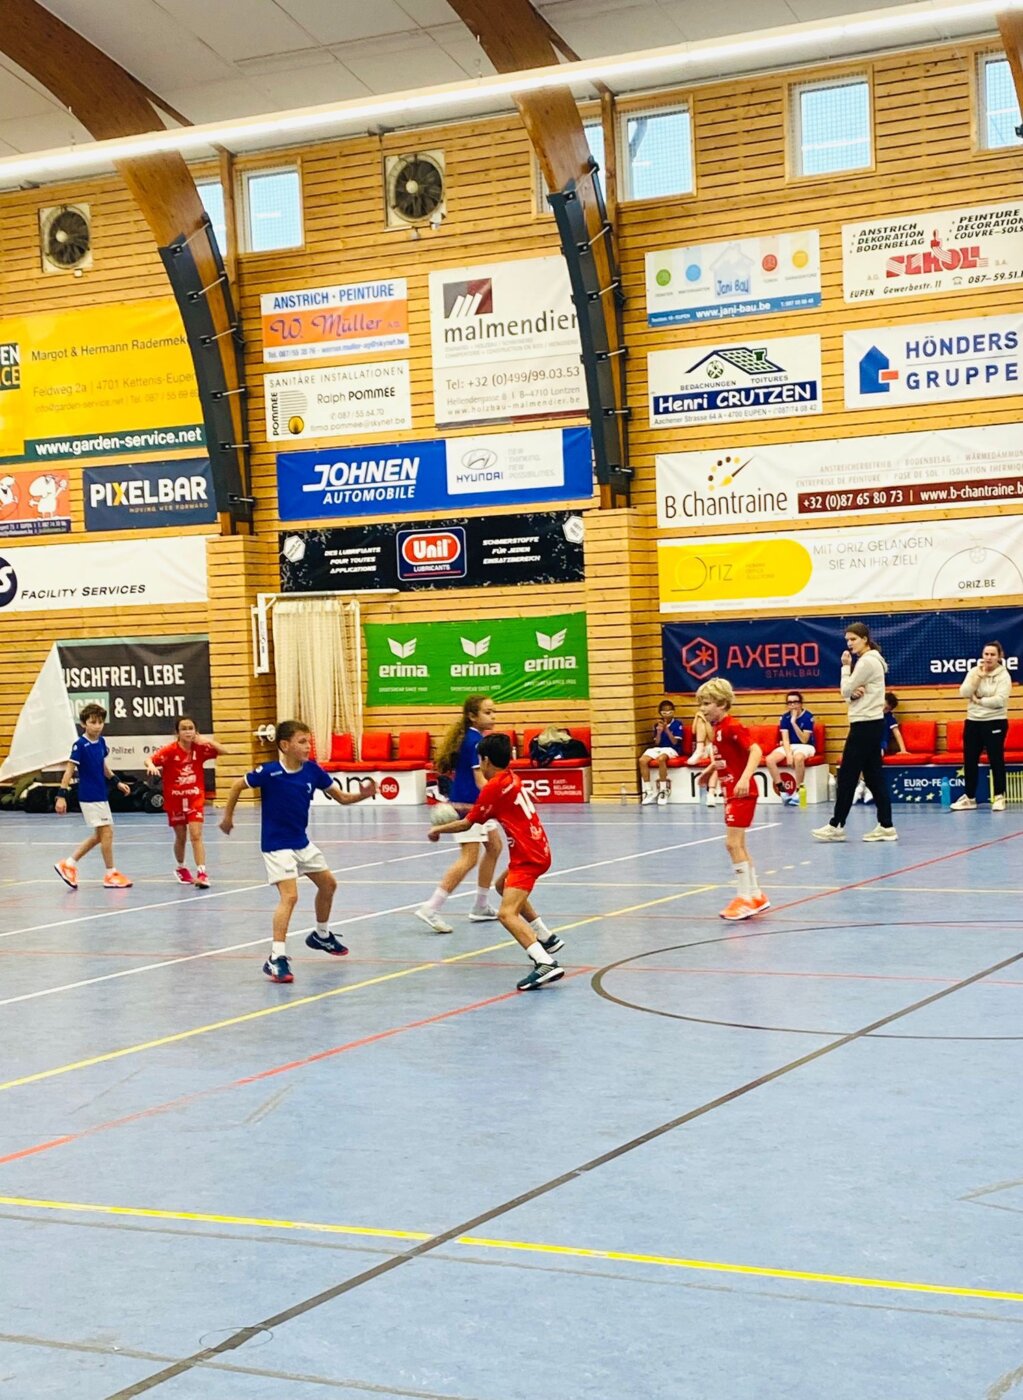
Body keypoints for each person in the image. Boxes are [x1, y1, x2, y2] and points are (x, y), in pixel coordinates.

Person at [219, 719, 376, 983]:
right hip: (276, 845)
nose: (307, 746)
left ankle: (321, 935)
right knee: (290, 896)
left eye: (308, 741)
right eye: (302, 742)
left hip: (301, 843)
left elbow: (341, 797)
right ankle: (276, 957)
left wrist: (364, 794)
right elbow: (236, 786)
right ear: (285, 745)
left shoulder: (312, 771)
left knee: (328, 884)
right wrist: (227, 818)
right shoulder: (269, 772)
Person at [429, 732, 563, 990]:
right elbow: (486, 808)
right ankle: (546, 936)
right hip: (538, 849)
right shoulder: (510, 778)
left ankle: (545, 962)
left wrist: (437, 830)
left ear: (487, 760)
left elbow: (467, 823)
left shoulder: (493, 787)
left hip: (528, 857)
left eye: (480, 760)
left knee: (506, 914)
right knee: (502, 886)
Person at [415, 695, 502, 933]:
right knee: (469, 858)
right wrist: (503, 795)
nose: (493, 716)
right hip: (468, 806)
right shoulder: (474, 742)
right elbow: (480, 780)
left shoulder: (475, 738)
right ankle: (431, 908)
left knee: (494, 847)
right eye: (487, 712)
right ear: (472, 716)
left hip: (477, 804)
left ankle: (481, 905)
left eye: (494, 711)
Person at [694, 678, 770, 921]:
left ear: (722, 703)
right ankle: (755, 895)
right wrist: (708, 772)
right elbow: (724, 758)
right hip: (731, 792)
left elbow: (756, 751)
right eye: (701, 704)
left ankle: (744, 898)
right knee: (739, 845)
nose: (703, 709)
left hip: (742, 793)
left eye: (707, 703)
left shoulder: (732, 727)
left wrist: (745, 778)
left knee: (732, 844)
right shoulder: (717, 730)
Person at [813, 622, 897, 842]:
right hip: (871, 724)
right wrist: (852, 695)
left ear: (865, 639)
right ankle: (886, 825)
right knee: (874, 777)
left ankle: (836, 825)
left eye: (853, 639)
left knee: (847, 776)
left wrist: (845, 667)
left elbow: (845, 689)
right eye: (847, 640)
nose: (849, 644)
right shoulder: (873, 660)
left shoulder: (867, 661)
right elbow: (852, 694)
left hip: (864, 726)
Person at [53, 703, 133, 890]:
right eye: (92, 722)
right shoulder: (80, 745)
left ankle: (68, 864)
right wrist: (61, 796)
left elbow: (102, 766)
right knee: (107, 832)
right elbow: (69, 771)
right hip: (89, 795)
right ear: (84, 724)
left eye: (100, 722)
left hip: (100, 793)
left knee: (99, 836)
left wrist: (116, 782)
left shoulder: (102, 742)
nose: (97, 726)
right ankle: (110, 873)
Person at [146, 716, 226, 888]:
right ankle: (181, 867)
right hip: (175, 799)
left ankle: (202, 873)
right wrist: (151, 765)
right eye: (184, 729)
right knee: (181, 837)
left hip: (194, 798)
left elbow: (224, 751)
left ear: (196, 731)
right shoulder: (170, 751)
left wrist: (207, 741)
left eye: (191, 728)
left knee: (196, 835)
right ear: (177, 733)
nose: (188, 731)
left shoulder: (200, 749)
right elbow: (149, 760)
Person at [951, 642, 1012, 812]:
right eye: (986, 654)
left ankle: (999, 797)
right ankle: (969, 798)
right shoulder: (974, 672)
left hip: (995, 721)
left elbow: (1000, 701)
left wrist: (978, 700)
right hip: (973, 721)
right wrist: (978, 677)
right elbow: (964, 692)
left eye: (993, 655)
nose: (989, 658)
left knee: (996, 759)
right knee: (970, 760)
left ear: (999, 656)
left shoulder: (1003, 676)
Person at [764, 690, 816, 805]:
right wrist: (788, 755)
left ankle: (798, 792)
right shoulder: (784, 717)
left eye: (795, 702)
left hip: (806, 746)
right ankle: (782, 790)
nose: (793, 705)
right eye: (790, 703)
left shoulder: (808, 716)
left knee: (798, 758)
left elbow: (804, 739)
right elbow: (785, 739)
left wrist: (793, 722)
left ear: (801, 703)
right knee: (769, 759)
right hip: (790, 746)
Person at [854, 691, 906, 804]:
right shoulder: (869, 713)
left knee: (871, 760)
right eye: (883, 706)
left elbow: (897, 733)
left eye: (887, 709)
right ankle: (866, 788)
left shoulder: (889, 717)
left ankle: (862, 786)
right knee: (860, 758)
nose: (884, 709)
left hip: (879, 744)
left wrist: (903, 750)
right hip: (866, 743)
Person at [640, 699, 685, 805]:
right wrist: (659, 732)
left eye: (669, 711)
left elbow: (675, 742)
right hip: (660, 748)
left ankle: (663, 790)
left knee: (661, 759)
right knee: (642, 760)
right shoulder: (657, 724)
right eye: (664, 711)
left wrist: (667, 730)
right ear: (660, 713)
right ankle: (648, 791)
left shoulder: (677, 724)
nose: (667, 713)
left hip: (672, 749)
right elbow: (657, 743)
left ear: (673, 711)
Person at [687, 709, 721, 807]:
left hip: (714, 746)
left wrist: (705, 720)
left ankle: (711, 794)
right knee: (700, 720)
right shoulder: (701, 718)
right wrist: (697, 716)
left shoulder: (718, 720)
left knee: (717, 765)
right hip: (703, 747)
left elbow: (712, 738)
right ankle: (699, 750)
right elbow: (694, 731)